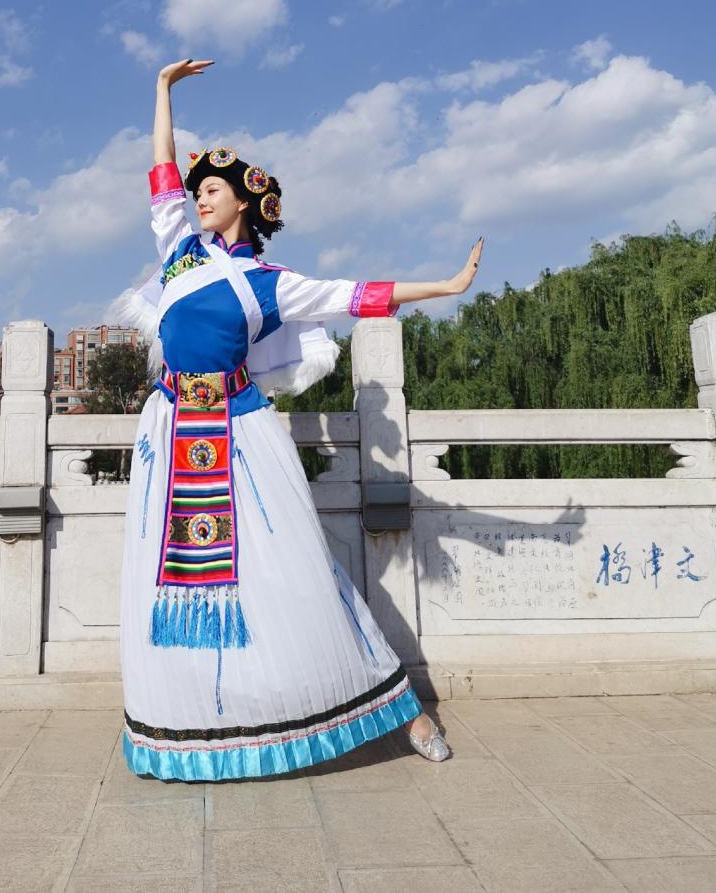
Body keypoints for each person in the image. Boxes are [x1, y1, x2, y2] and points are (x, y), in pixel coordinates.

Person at [117, 59, 483, 781]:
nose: (198, 198)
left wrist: (445, 284)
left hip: (237, 436)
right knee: (171, 584)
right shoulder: (179, 254)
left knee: (294, 575)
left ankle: (401, 709)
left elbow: (360, 294)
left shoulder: (272, 284)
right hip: (170, 429)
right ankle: (197, 723)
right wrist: (162, 90)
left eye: (212, 190)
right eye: (197, 192)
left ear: (243, 204)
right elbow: (159, 170)